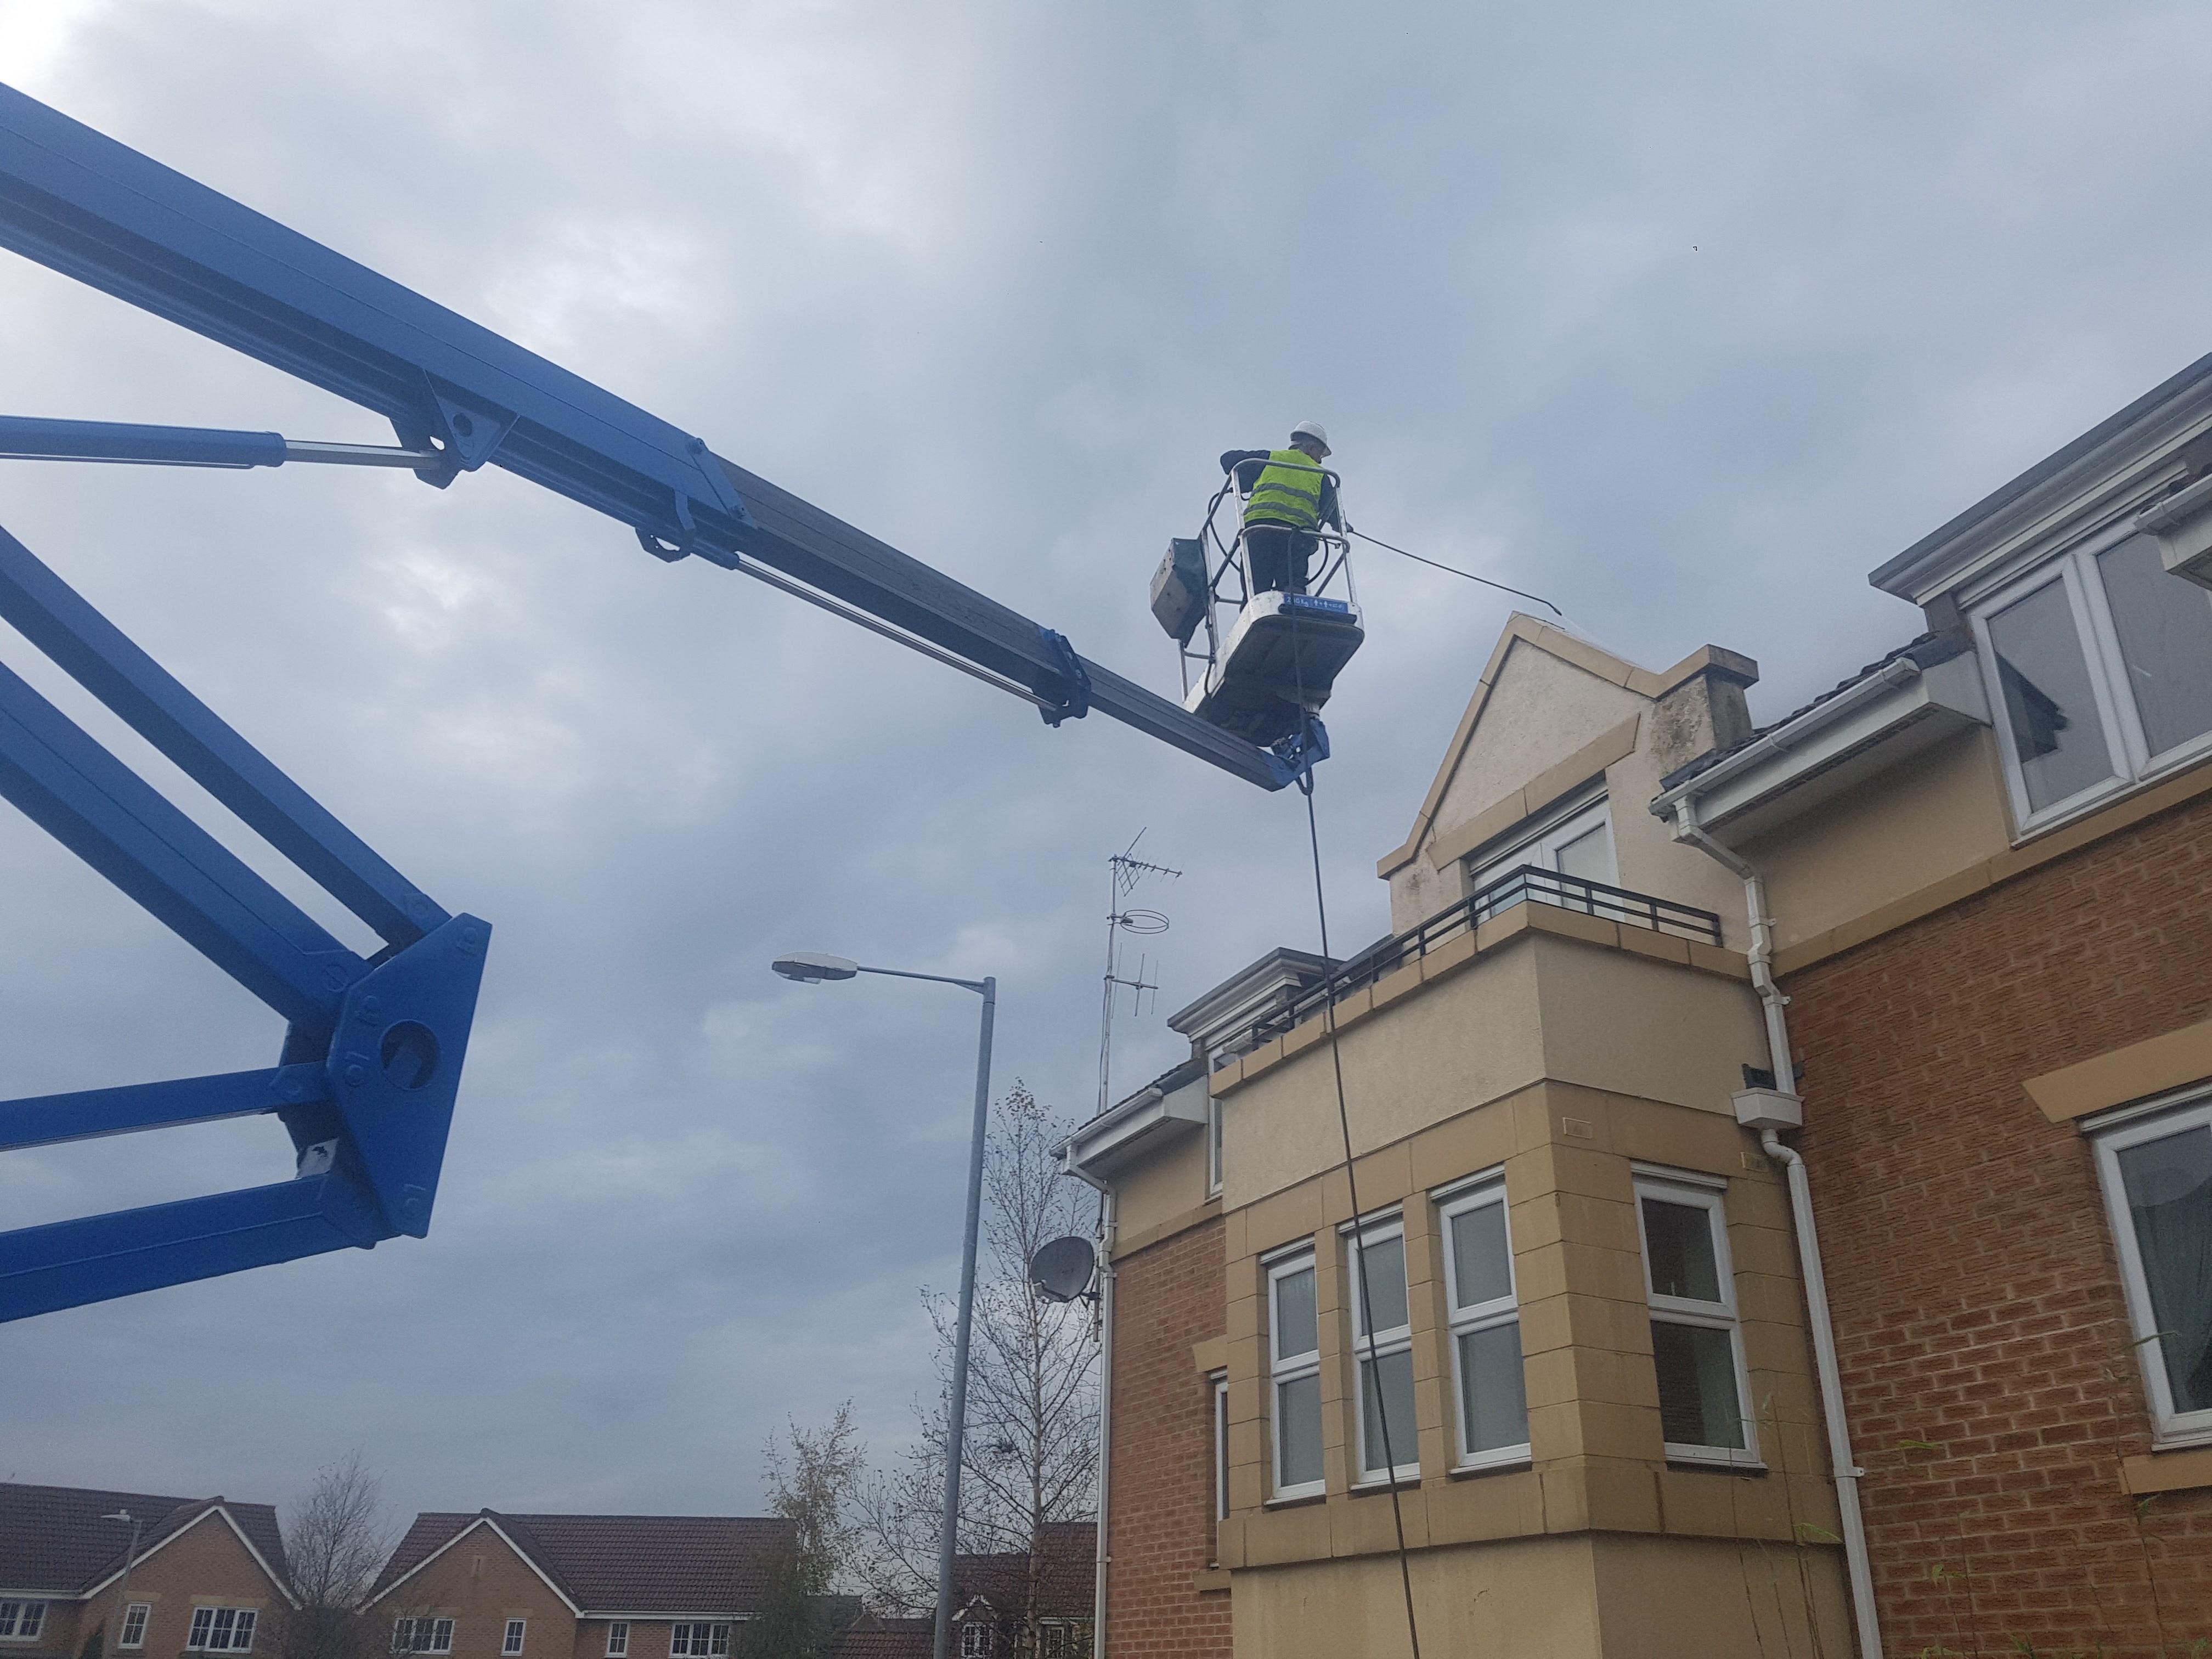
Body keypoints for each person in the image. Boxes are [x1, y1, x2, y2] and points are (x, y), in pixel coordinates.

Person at [1218, 421, 1341, 595]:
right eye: (1320, 454)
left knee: (1256, 591)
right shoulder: (1321, 474)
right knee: (1293, 592)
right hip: (1297, 538)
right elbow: (1333, 512)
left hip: (1260, 532)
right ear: (1312, 447)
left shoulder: (1269, 458)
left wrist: (1245, 480)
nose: (1320, 460)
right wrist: (1342, 527)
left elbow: (1228, 459)